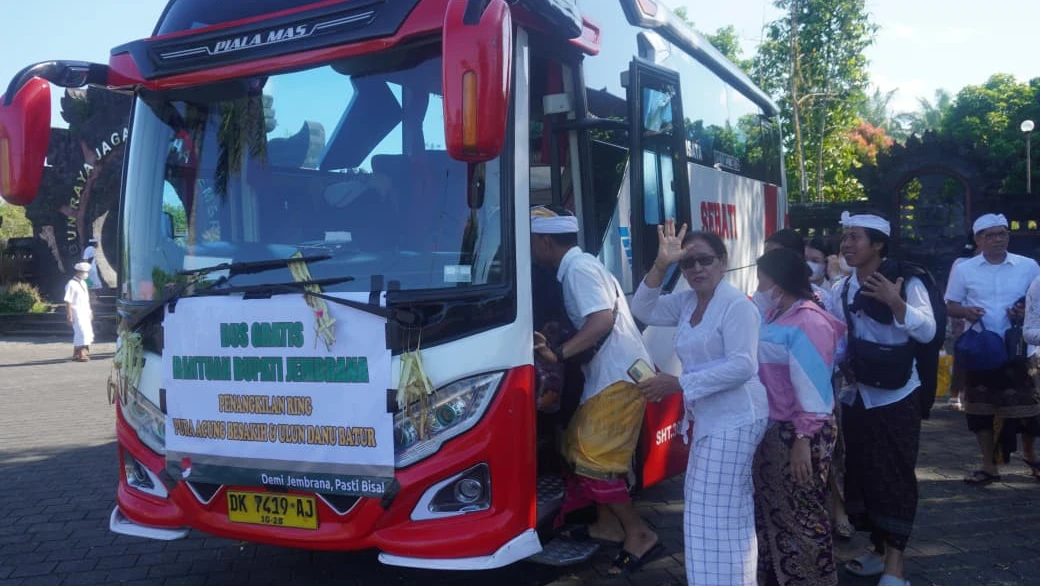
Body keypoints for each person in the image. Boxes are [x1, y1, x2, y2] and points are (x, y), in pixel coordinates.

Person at [632, 219, 769, 585]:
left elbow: (743, 366)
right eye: (687, 263)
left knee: (708, 513)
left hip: (738, 417)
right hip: (710, 419)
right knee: (725, 511)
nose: (696, 269)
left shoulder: (736, 305)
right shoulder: (687, 300)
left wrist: (678, 383)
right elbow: (643, 308)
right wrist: (662, 264)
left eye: (704, 260)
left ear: (722, 262)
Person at [528, 206, 661, 574]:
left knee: (592, 459)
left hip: (619, 377)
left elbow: (602, 320)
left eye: (531, 243)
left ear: (544, 241)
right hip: (610, 374)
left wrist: (558, 354)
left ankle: (638, 533)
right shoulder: (578, 265)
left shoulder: (579, 270)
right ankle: (606, 526)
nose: (530, 251)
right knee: (575, 447)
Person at [830, 211, 935, 586]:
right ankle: (877, 550)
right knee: (863, 476)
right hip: (857, 396)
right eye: (844, 238)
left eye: (855, 238)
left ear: (878, 244)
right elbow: (837, 339)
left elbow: (927, 331)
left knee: (895, 478)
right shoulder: (841, 288)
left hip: (897, 397)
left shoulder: (906, 281)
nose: (846, 245)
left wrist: (896, 302)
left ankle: (896, 566)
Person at [753, 247, 846, 586]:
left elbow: (813, 388)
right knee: (774, 512)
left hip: (800, 433)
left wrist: (802, 440)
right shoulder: (776, 314)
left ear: (778, 281)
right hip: (775, 429)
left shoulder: (808, 320)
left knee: (802, 515)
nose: (758, 285)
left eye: (761, 278)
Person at [945, 213, 1040, 485]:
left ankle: (1031, 455)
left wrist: (1023, 311)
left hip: (1020, 347)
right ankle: (989, 465)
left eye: (1003, 233)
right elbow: (950, 305)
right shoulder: (964, 269)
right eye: (991, 235)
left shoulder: (1029, 266)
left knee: (1031, 410)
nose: (998, 239)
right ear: (978, 239)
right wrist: (967, 311)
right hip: (982, 349)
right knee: (980, 410)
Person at [944, 237, 979, 412]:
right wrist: (960, 313)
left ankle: (973, 394)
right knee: (961, 357)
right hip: (962, 316)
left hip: (986, 319)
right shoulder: (962, 263)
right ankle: (955, 394)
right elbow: (952, 296)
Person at [64, 262, 94, 362]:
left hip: (85, 311)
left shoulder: (83, 283)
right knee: (81, 332)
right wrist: (69, 315)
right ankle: (81, 353)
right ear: (78, 271)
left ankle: (75, 354)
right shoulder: (71, 284)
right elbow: (68, 300)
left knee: (85, 332)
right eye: (84, 272)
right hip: (76, 312)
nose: (85, 273)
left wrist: (90, 311)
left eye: (86, 272)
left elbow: (86, 299)